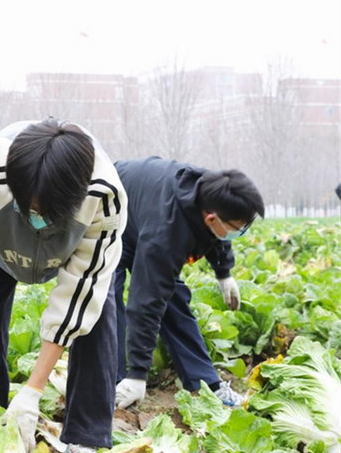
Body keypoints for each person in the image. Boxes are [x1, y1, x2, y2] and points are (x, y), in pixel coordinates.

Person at [0, 119, 127, 453]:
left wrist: (34, 390)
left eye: (44, 213)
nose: (35, 217)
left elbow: (78, 297)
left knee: (96, 316)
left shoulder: (103, 194)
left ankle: (86, 438)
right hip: (0, 250)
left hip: (69, 251)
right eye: (28, 208)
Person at [113, 157, 265, 410]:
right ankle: (113, 385)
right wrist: (139, 373)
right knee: (106, 298)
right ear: (211, 219)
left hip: (143, 210)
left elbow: (220, 236)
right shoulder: (166, 233)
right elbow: (146, 302)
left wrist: (224, 272)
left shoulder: (213, 190)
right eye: (238, 228)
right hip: (110, 218)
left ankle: (207, 384)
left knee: (175, 298)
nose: (240, 232)